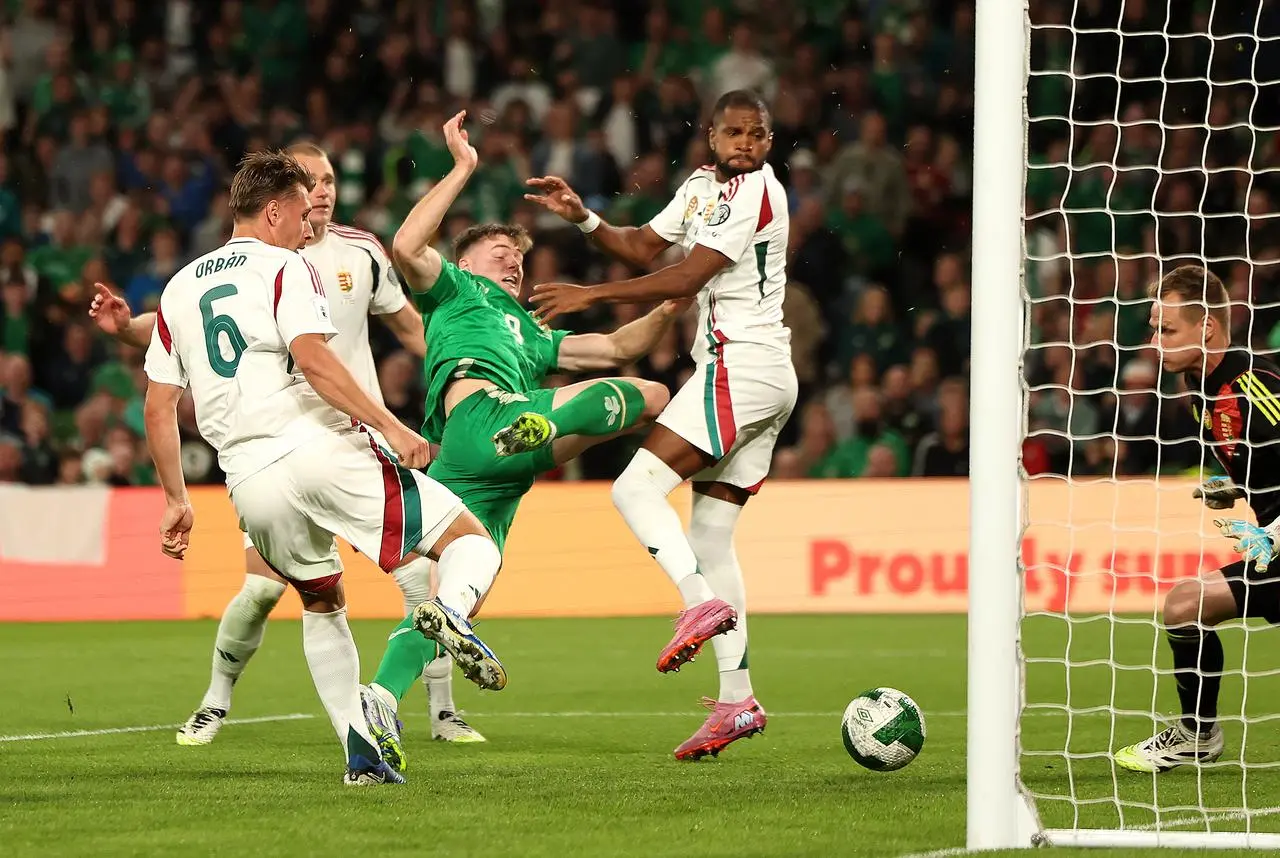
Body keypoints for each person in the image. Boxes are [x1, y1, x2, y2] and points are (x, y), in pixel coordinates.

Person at [91, 144, 485, 746]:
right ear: (274, 211)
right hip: (323, 444)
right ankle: (451, 618)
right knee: (467, 545)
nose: (311, 219)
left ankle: (375, 744)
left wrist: (175, 499)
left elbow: (158, 403)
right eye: (303, 206)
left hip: (247, 478)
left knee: (324, 600)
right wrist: (396, 427)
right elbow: (314, 359)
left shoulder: (179, 285)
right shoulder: (288, 266)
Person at [356, 111, 683, 760]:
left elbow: (618, 343)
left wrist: (674, 298)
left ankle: (377, 707)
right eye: (497, 253)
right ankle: (542, 424)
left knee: (448, 609)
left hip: (481, 475)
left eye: (517, 258)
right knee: (648, 396)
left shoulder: (533, 334)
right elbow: (405, 246)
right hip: (480, 419)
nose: (512, 261)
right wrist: (463, 168)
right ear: (465, 263)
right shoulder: (452, 292)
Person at [524, 90, 796, 760]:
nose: (743, 143)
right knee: (709, 534)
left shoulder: (758, 192)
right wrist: (584, 218)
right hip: (760, 377)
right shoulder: (704, 186)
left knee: (634, 490)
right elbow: (647, 246)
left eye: (755, 134)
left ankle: (695, 603)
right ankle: (736, 702)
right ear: (710, 135)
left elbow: (690, 275)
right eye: (732, 132)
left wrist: (591, 296)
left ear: (769, 141)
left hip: (743, 366)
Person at [1115, 264, 1280, 772]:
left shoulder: (1253, 386)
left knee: (1186, 603)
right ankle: (1196, 735)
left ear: (1206, 326)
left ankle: (1196, 736)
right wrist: (1234, 489)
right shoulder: (1199, 387)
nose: (1155, 340)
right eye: (1153, 328)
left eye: (1166, 329)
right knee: (1186, 604)